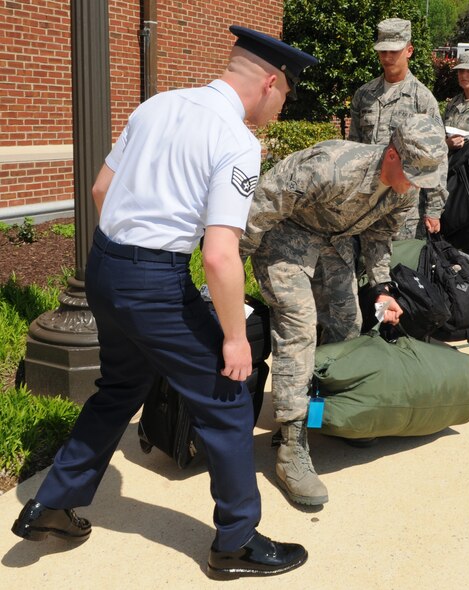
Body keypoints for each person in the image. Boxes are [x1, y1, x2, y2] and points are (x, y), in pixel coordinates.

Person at [10, 26, 317, 580]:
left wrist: (129, 257)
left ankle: (53, 503)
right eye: (286, 94)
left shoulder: (157, 105)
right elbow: (221, 256)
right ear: (270, 82)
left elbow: (103, 191)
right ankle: (237, 542)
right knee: (226, 400)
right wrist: (230, 337)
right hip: (153, 281)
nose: (282, 105)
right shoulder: (237, 141)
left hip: (105, 266)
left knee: (120, 387)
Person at [240, 114, 447, 506]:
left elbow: (379, 237)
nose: (415, 185)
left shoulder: (406, 188)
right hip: (284, 237)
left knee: (347, 324)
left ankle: (328, 414)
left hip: (334, 244)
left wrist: (383, 290)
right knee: (298, 326)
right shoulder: (332, 167)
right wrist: (231, 266)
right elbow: (263, 205)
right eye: (412, 173)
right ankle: (291, 444)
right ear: (391, 154)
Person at [348, 18, 446, 240]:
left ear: (409, 50)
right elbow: (353, 147)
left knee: (400, 269)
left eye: (394, 51)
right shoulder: (364, 95)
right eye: (382, 51)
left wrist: (433, 209)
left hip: (404, 208)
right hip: (367, 200)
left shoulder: (423, 100)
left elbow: (438, 159)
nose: (387, 57)